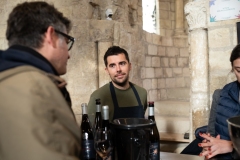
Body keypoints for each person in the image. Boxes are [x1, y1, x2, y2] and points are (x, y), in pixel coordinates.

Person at [0, 2, 81, 160]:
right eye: (66, 41)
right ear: (51, 35)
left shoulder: (8, 78)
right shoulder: (36, 90)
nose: (68, 54)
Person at [181, 44, 240, 159]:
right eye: (238, 70)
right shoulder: (221, 94)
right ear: (232, 69)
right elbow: (211, 133)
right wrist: (208, 147)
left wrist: (231, 146)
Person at [87, 46, 148, 123]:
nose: (118, 69)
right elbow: (91, 132)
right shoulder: (98, 97)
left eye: (122, 63)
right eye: (112, 66)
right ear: (107, 70)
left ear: (129, 66)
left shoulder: (142, 93)